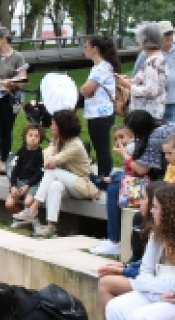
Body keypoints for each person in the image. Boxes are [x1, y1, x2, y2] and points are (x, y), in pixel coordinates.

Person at [101, 184, 175, 320]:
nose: (152, 210)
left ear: (169, 211)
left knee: (141, 316)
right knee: (116, 307)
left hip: (170, 299)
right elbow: (144, 273)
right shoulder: (156, 235)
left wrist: (154, 287)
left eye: (157, 207)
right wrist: (156, 290)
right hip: (158, 294)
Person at [90, 181, 164, 320]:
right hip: (145, 277)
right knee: (108, 277)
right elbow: (139, 259)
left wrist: (124, 270)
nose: (140, 202)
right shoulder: (140, 219)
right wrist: (123, 266)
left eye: (145, 199)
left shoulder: (162, 231)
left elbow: (150, 267)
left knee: (107, 283)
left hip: (155, 282)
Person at [97, 111, 175, 256]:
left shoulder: (155, 137)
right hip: (159, 178)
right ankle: (115, 241)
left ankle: (114, 240)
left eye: (130, 130)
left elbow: (142, 169)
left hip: (156, 181)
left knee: (115, 187)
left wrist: (124, 155)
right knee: (116, 178)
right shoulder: (160, 127)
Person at [12, 110, 100, 238]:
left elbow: (48, 162)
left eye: (54, 124)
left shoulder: (75, 145)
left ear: (62, 127)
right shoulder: (60, 141)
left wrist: (52, 143)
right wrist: (54, 142)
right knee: (55, 186)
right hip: (67, 184)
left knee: (52, 171)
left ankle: (33, 208)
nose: (51, 126)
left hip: (82, 186)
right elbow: (45, 158)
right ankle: (51, 226)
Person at [0, 28, 28, 177]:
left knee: (6, 129)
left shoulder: (18, 57)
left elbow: (22, 78)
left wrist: (13, 84)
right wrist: (2, 82)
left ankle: (3, 162)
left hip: (9, 96)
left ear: (3, 39)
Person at [80, 36, 121, 185]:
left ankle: (105, 178)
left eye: (86, 47)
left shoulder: (103, 67)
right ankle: (102, 176)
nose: (85, 50)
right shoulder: (98, 67)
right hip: (95, 113)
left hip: (101, 114)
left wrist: (84, 90)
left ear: (95, 49)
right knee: (99, 147)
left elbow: (86, 89)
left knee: (102, 148)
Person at [116, 23, 168, 120]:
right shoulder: (158, 59)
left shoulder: (152, 62)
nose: (136, 40)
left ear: (146, 40)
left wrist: (129, 86)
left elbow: (151, 91)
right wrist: (129, 81)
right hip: (154, 112)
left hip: (146, 116)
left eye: (138, 37)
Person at [130, 19, 175, 122]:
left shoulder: (156, 58)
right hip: (152, 105)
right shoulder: (145, 55)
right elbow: (136, 75)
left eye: (170, 33)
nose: (168, 37)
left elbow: (151, 90)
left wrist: (129, 86)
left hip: (171, 102)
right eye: (165, 34)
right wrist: (130, 84)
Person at [6, 124, 44, 218]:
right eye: (30, 135)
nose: (33, 138)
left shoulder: (41, 154)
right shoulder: (20, 152)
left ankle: (29, 218)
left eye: (36, 136)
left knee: (28, 202)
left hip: (33, 183)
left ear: (40, 138)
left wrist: (28, 185)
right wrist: (13, 186)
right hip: (20, 181)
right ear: (25, 137)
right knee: (9, 204)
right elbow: (14, 170)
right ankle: (19, 217)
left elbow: (39, 173)